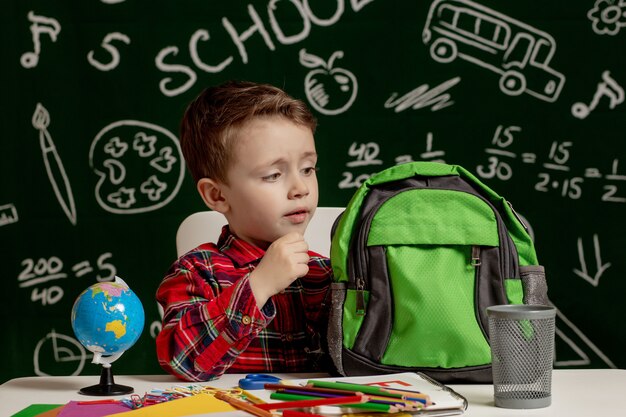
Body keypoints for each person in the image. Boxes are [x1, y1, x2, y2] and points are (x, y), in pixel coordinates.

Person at [156, 80, 332, 381]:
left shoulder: (324, 273)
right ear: (218, 195)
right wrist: (259, 285)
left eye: (308, 169)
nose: (300, 188)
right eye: (273, 174)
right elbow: (182, 359)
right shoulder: (197, 272)